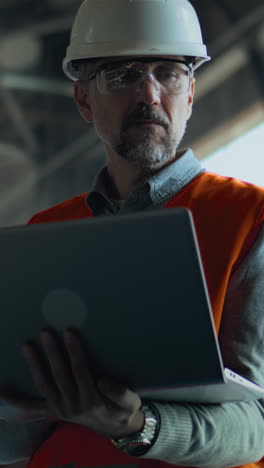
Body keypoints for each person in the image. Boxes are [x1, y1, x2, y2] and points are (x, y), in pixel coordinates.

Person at [1, 0, 264, 467]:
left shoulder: (250, 218)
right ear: (84, 100)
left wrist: (139, 425)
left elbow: (258, 424)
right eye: (121, 74)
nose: (149, 93)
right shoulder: (44, 234)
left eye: (168, 72)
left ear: (190, 93)